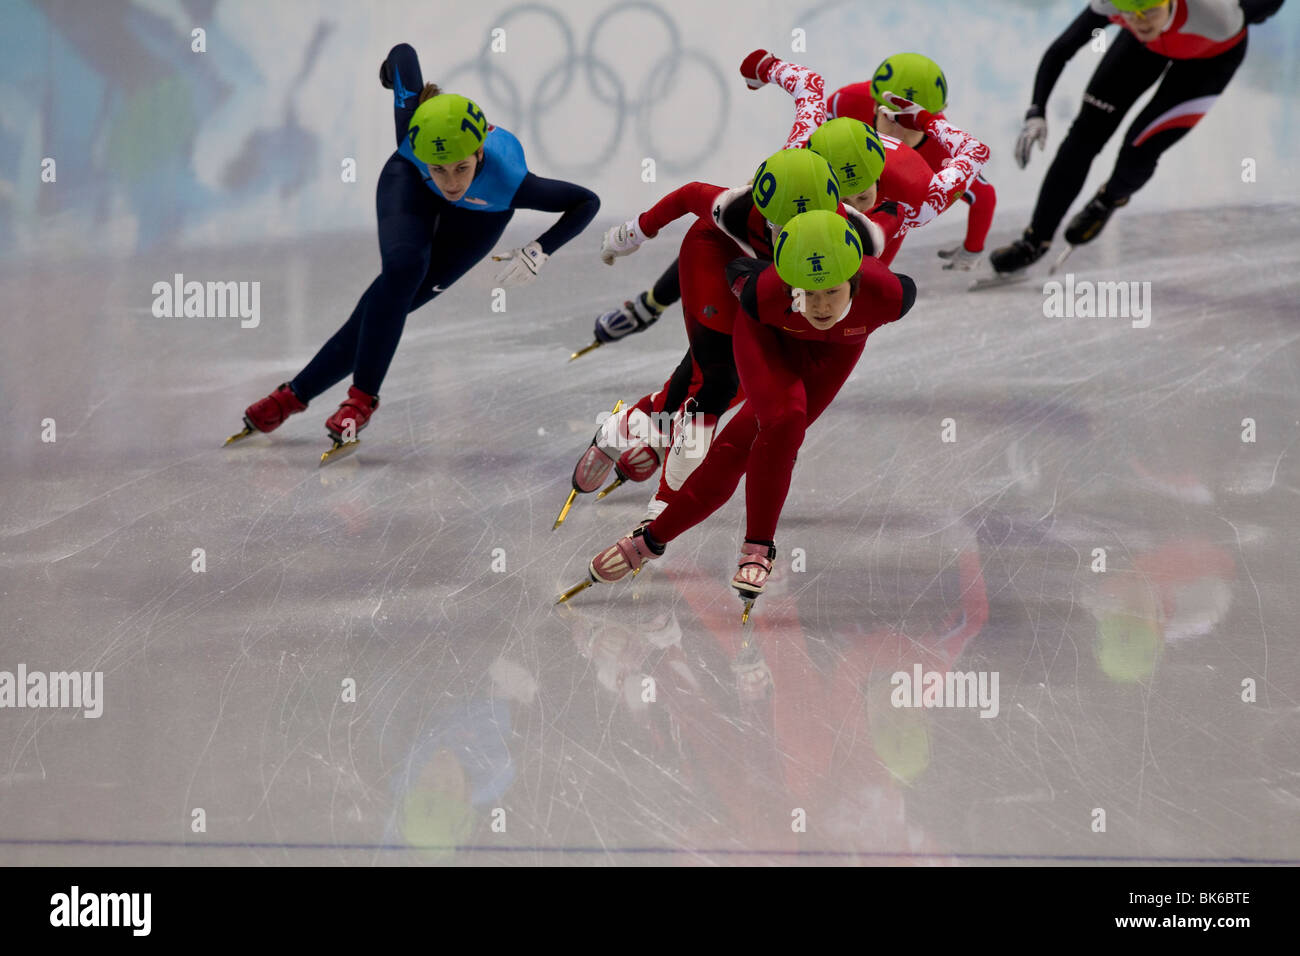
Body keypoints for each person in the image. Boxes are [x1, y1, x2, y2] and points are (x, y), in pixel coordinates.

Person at [225, 43, 599, 460]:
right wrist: (391, 72)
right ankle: (361, 400)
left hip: (482, 214)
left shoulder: (511, 179)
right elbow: (404, 53)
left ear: (478, 153)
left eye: (461, 167)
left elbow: (586, 201)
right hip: (408, 183)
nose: (451, 182)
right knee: (403, 271)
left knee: (388, 304)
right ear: (424, 155)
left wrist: (539, 250)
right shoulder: (412, 137)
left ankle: (293, 396)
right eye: (439, 168)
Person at [559, 209, 917, 617]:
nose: (820, 306)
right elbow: (734, 272)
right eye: (807, 293)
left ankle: (648, 541)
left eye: (832, 292)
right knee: (784, 419)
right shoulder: (763, 292)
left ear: (855, 281)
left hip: (830, 360)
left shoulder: (889, 295)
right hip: (765, 340)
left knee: (743, 444)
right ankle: (757, 547)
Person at [990, 0, 1286, 277]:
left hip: (1210, 59)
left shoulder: (1218, 16)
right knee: (1083, 137)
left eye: (1148, 12)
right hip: (1143, 48)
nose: (1140, 20)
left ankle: (1108, 200)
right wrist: (1036, 111)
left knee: (1140, 149)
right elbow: (1061, 49)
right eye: (1130, 13)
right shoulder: (1114, 5)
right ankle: (1034, 241)